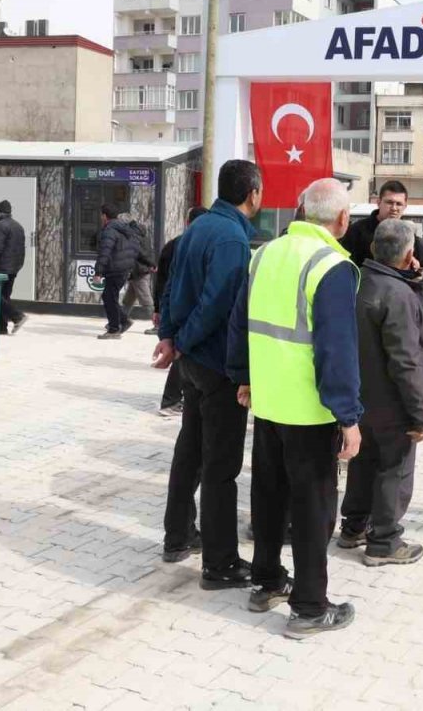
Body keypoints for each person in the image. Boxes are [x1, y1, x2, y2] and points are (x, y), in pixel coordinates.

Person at [231, 178, 363, 639]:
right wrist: (348, 416)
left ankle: (266, 582)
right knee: (313, 508)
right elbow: (337, 350)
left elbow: (240, 323)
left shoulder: (264, 254)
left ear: (302, 209)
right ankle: (309, 607)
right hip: (310, 412)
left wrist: (244, 377)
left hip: (267, 403)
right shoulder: (332, 266)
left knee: (268, 498)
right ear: (342, 221)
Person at [152, 161, 261, 591]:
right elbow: (217, 304)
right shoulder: (233, 238)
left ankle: (178, 535)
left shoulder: (198, 227)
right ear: (252, 193)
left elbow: (173, 285)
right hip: (216, 365)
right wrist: (182, 339)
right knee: (220, 466)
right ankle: (220, 563)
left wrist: (172, 337)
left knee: (190, 451)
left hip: (192, 363)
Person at [338, 219, 423, 567]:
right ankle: (384, 540)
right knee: (395, 468)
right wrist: (420, 412)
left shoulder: (356, 282)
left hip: (360, 398)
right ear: (409, 254)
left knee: (363, 464)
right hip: (393, 401)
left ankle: (354, 527)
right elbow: (406, 361)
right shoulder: (397, 296)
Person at [153, 206, 208, 418]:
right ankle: (171, 400)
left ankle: (175, 399)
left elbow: (162, 283)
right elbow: (164, 281)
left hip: (175, 309)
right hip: (186, 312)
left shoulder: (175, 244)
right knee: (180, 353)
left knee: (181, 355)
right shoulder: (188, 245)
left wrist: (159, 309)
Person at [339, 180, 423, 284]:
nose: (394, 208)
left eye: (399, 204)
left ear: (405, 206)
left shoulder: (413, 241)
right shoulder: (355, 232)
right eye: (389, 202)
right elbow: (343, 268)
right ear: (378, 203)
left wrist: (415, 271)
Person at [93, 204, 140, 340]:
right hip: (124, 268)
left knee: (109, 297)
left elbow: (105, 251)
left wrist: (98, 272)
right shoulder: (125, 229)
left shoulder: (109, 230)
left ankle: (114, 329)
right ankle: (123, 321)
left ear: (104, 216)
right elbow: (135, 249)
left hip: (115, 269)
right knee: (110, 296)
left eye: (101, 215)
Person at [0, 199, 28, 336]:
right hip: (14, 267)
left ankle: (17, 316)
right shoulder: (18, 226)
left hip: (2, 267)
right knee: (4, 296)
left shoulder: (1, 226)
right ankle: (1, 328)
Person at [119, 215, 157, 334]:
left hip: (139, 270)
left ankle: (158, 325)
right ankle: (121, 321)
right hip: (138, 270)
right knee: (128, 300)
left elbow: (140, 252)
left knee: (146, 301)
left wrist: (151, 263)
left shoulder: (131, 234)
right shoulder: (140, 231)